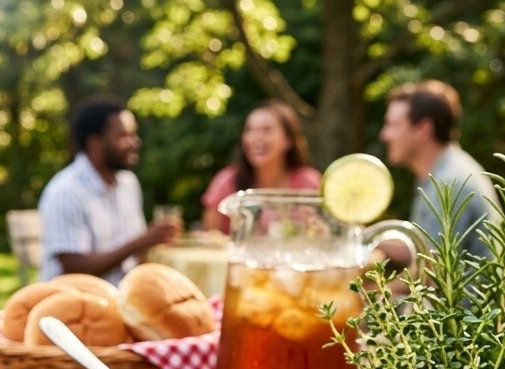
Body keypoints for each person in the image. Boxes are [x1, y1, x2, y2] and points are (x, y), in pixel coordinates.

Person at [37, 95, 181, 286]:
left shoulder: (128, 183)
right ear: (95, 142)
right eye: (123, 136)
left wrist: (154, 244)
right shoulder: (66, 192)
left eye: (134, 134)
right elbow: (73, 268)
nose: (135, 142)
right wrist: (141, 242)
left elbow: (138, 257)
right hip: (75, 300)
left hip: (121, 296)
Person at [379, 80, 499, 260]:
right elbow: (422, 247)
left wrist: (364, 287)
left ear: (423, 129)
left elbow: (431, 275)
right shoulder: (442, 170)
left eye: (394, 125)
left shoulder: (449, 182)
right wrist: (367, 239)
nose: (384, 135)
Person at [200, 100, 322, 234]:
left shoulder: (309, 182)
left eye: (266, 130)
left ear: (288, 140)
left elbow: (326, 233)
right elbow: (209, 236)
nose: (255, 138)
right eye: (249, 130)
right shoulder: (227, 181)